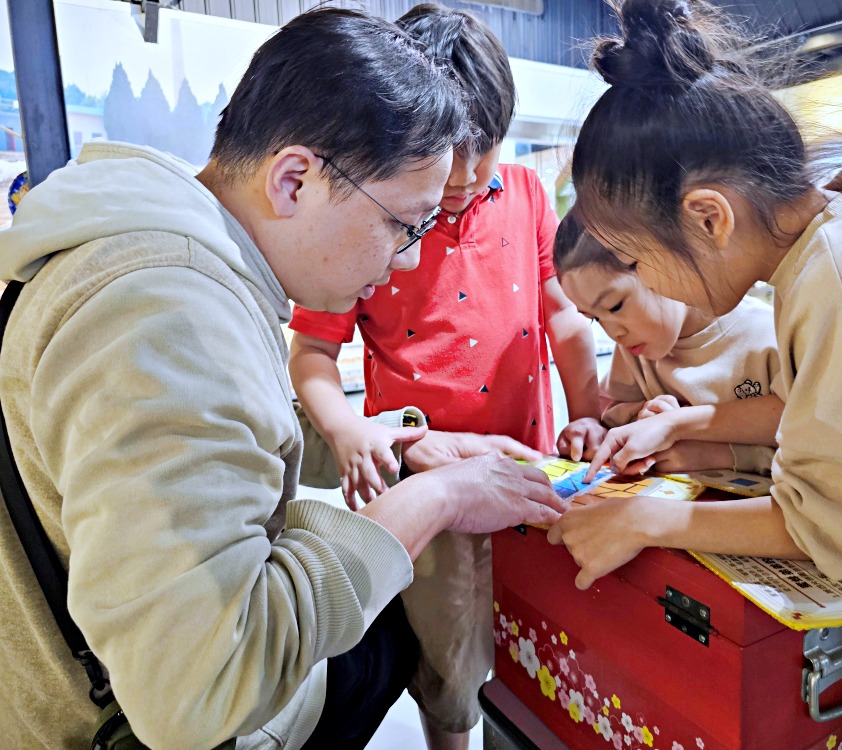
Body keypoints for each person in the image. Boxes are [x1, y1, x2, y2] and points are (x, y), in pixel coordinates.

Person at [0, 9, 567, 750]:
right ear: (295, 179)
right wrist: (436, 497)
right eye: (405, 224)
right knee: (401, 620)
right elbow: (197, 696)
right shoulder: (164, 315)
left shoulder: (156, 248)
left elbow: (236, 421)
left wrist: (406, 449)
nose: (403, 260)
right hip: (105, 724)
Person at [552, 1, 842, 747]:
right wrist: (691, 427)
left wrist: (645, 516)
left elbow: (829, 524)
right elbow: (825, 412)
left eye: (634, 262)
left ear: (708, 218)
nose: (643, 292)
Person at [287, 7, 599, 749]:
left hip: (534, 474)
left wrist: (591, 406)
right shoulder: (376, 219)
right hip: (432, 495)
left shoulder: (524, 195)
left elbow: (564, 313)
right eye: (440, 156)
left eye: (479, 152)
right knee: (450, 659)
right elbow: (313, 356)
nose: (459, 180)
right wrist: (345, 425)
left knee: (541, 639)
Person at [554, 210, 783, 473]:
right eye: (594, 318)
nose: (613, 333)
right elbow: (613, 415)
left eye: (615, 306)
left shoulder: (767, 332)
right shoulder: (634, 347)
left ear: (664, 262)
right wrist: (600, 428)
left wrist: (726, 455)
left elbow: (819, 451)